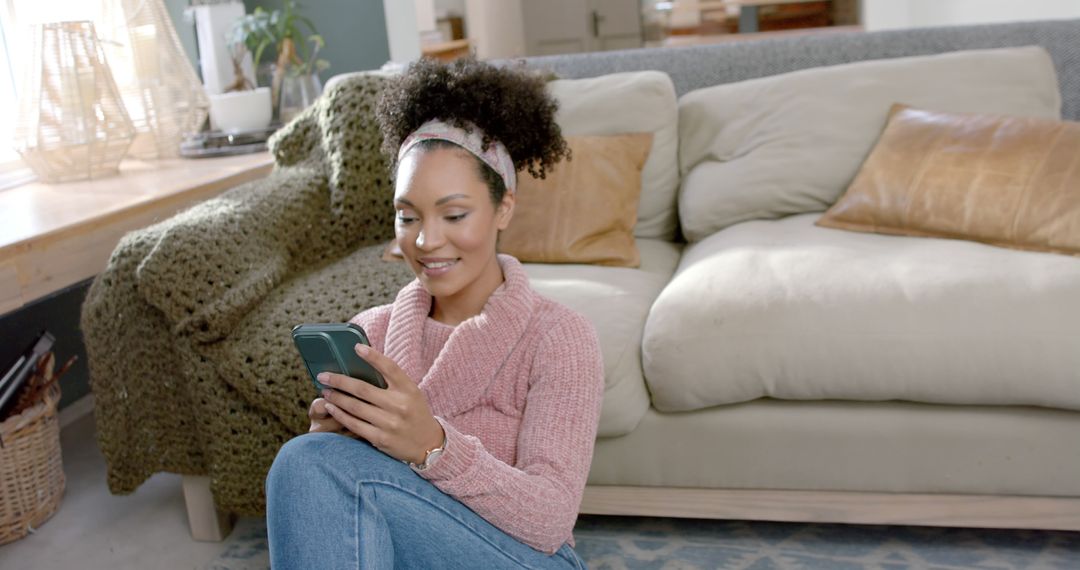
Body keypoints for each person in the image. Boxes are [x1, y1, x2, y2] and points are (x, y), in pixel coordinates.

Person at [265, 57, 603, 569]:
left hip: (527, 559)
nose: (425, 241)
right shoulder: (371, 331)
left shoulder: (558, 337)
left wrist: (433, 446)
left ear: (503, 208)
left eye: (454, 214)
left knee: (311, 466)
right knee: (306, 462)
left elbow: (550, 521)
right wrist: (332, 444)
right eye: (407, 217)